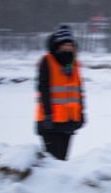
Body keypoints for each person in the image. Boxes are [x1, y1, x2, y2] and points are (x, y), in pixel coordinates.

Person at [35, 25, 85, 161]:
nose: (68, 48)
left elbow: (79, 92)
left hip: (69, 122)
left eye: (71, 45)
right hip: (50, 123)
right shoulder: (47, 61)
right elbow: (43, 89)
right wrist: (48, 115)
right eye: (65, 44)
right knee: (52, 162)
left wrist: (81, 114)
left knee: (62, 161)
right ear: (58, 45)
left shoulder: (74, 65)